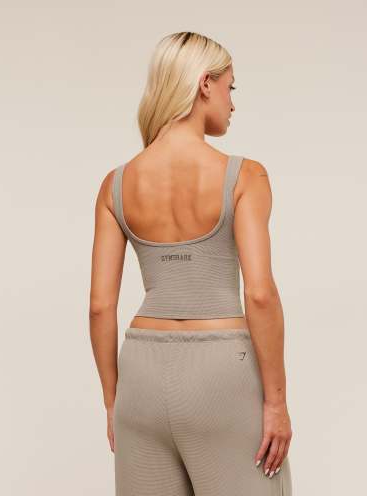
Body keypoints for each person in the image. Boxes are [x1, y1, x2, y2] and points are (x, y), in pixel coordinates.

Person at [89, 31, 293, 495]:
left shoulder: (115, 184)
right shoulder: (244, 175)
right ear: (205, 84)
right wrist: (276, 403)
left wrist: (113, 402)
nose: (232, 103)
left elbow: (100, 307)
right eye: (230, 87)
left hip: (140, 375)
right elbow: (260, 293)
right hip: (221, 373)